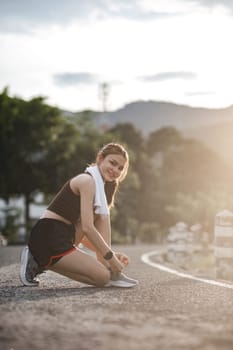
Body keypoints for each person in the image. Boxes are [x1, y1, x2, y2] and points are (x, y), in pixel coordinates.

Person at [20, 142, 138, 288]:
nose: (115, 170)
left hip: (66, 236)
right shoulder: (87, 181)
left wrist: (110, 254)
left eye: (120, 168)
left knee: (102, 278)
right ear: (100, 158)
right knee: (103, 276)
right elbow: (88, 228)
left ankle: (110, 270)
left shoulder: (101, 189)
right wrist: (111, 257)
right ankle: (36, 261)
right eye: (112, 163)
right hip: (48, 236)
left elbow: (86, 232)